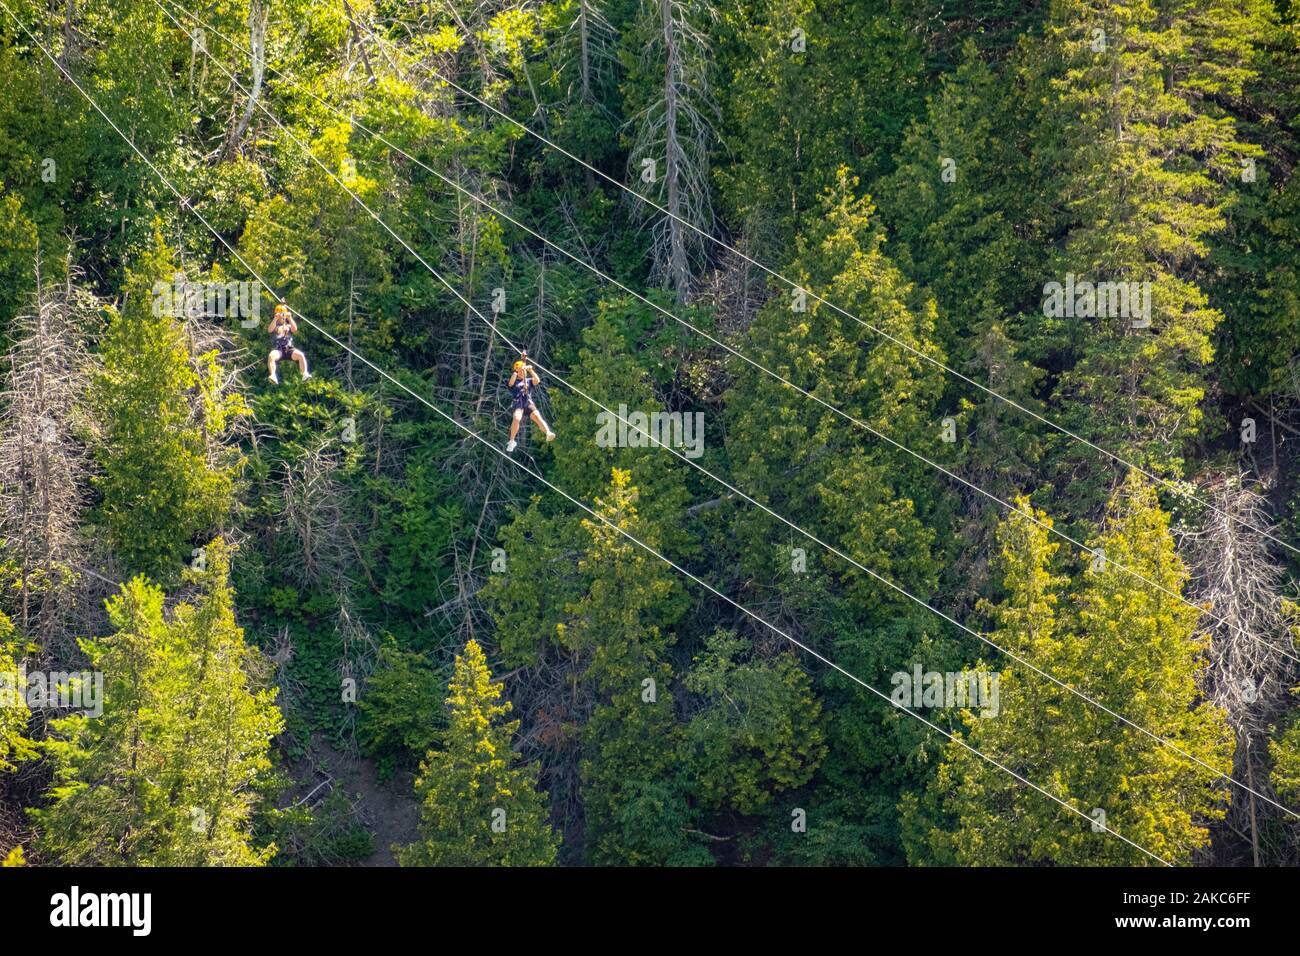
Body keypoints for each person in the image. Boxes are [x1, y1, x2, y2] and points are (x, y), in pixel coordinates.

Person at [506, 351, 555, 452]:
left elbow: (537, 380)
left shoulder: (528, 380)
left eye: (522, 371)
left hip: (527, 402)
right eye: (519, 371)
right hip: (518, 403)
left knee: (537, 417)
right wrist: (517, 371)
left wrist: (530, 370)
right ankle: (512, 441)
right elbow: (510, 383)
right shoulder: (514, 381)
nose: (522, 372)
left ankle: (548, 432)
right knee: (516, 418)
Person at [268, 303, 311, 384]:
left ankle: (304, 374)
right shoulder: (275, 325)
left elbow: (295, 329)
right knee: (271, 356)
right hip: (279, 350)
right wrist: (275, 319)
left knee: (301, 355)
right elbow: (270, 330)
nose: (281, 317)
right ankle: (273, 375)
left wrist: (290, 317)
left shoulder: (288, 324)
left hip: (289, 349)